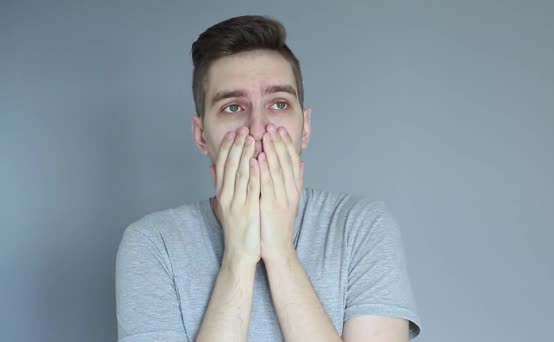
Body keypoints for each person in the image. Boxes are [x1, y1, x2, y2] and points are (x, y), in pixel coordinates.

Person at [115, 15, 422, 342]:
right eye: (233, 107)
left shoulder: (362, 226)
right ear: (201, 135)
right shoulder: (153, 244)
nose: (258, 128)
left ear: (304, 128)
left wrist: (280, 254)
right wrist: (238, 259)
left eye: (278, 104)